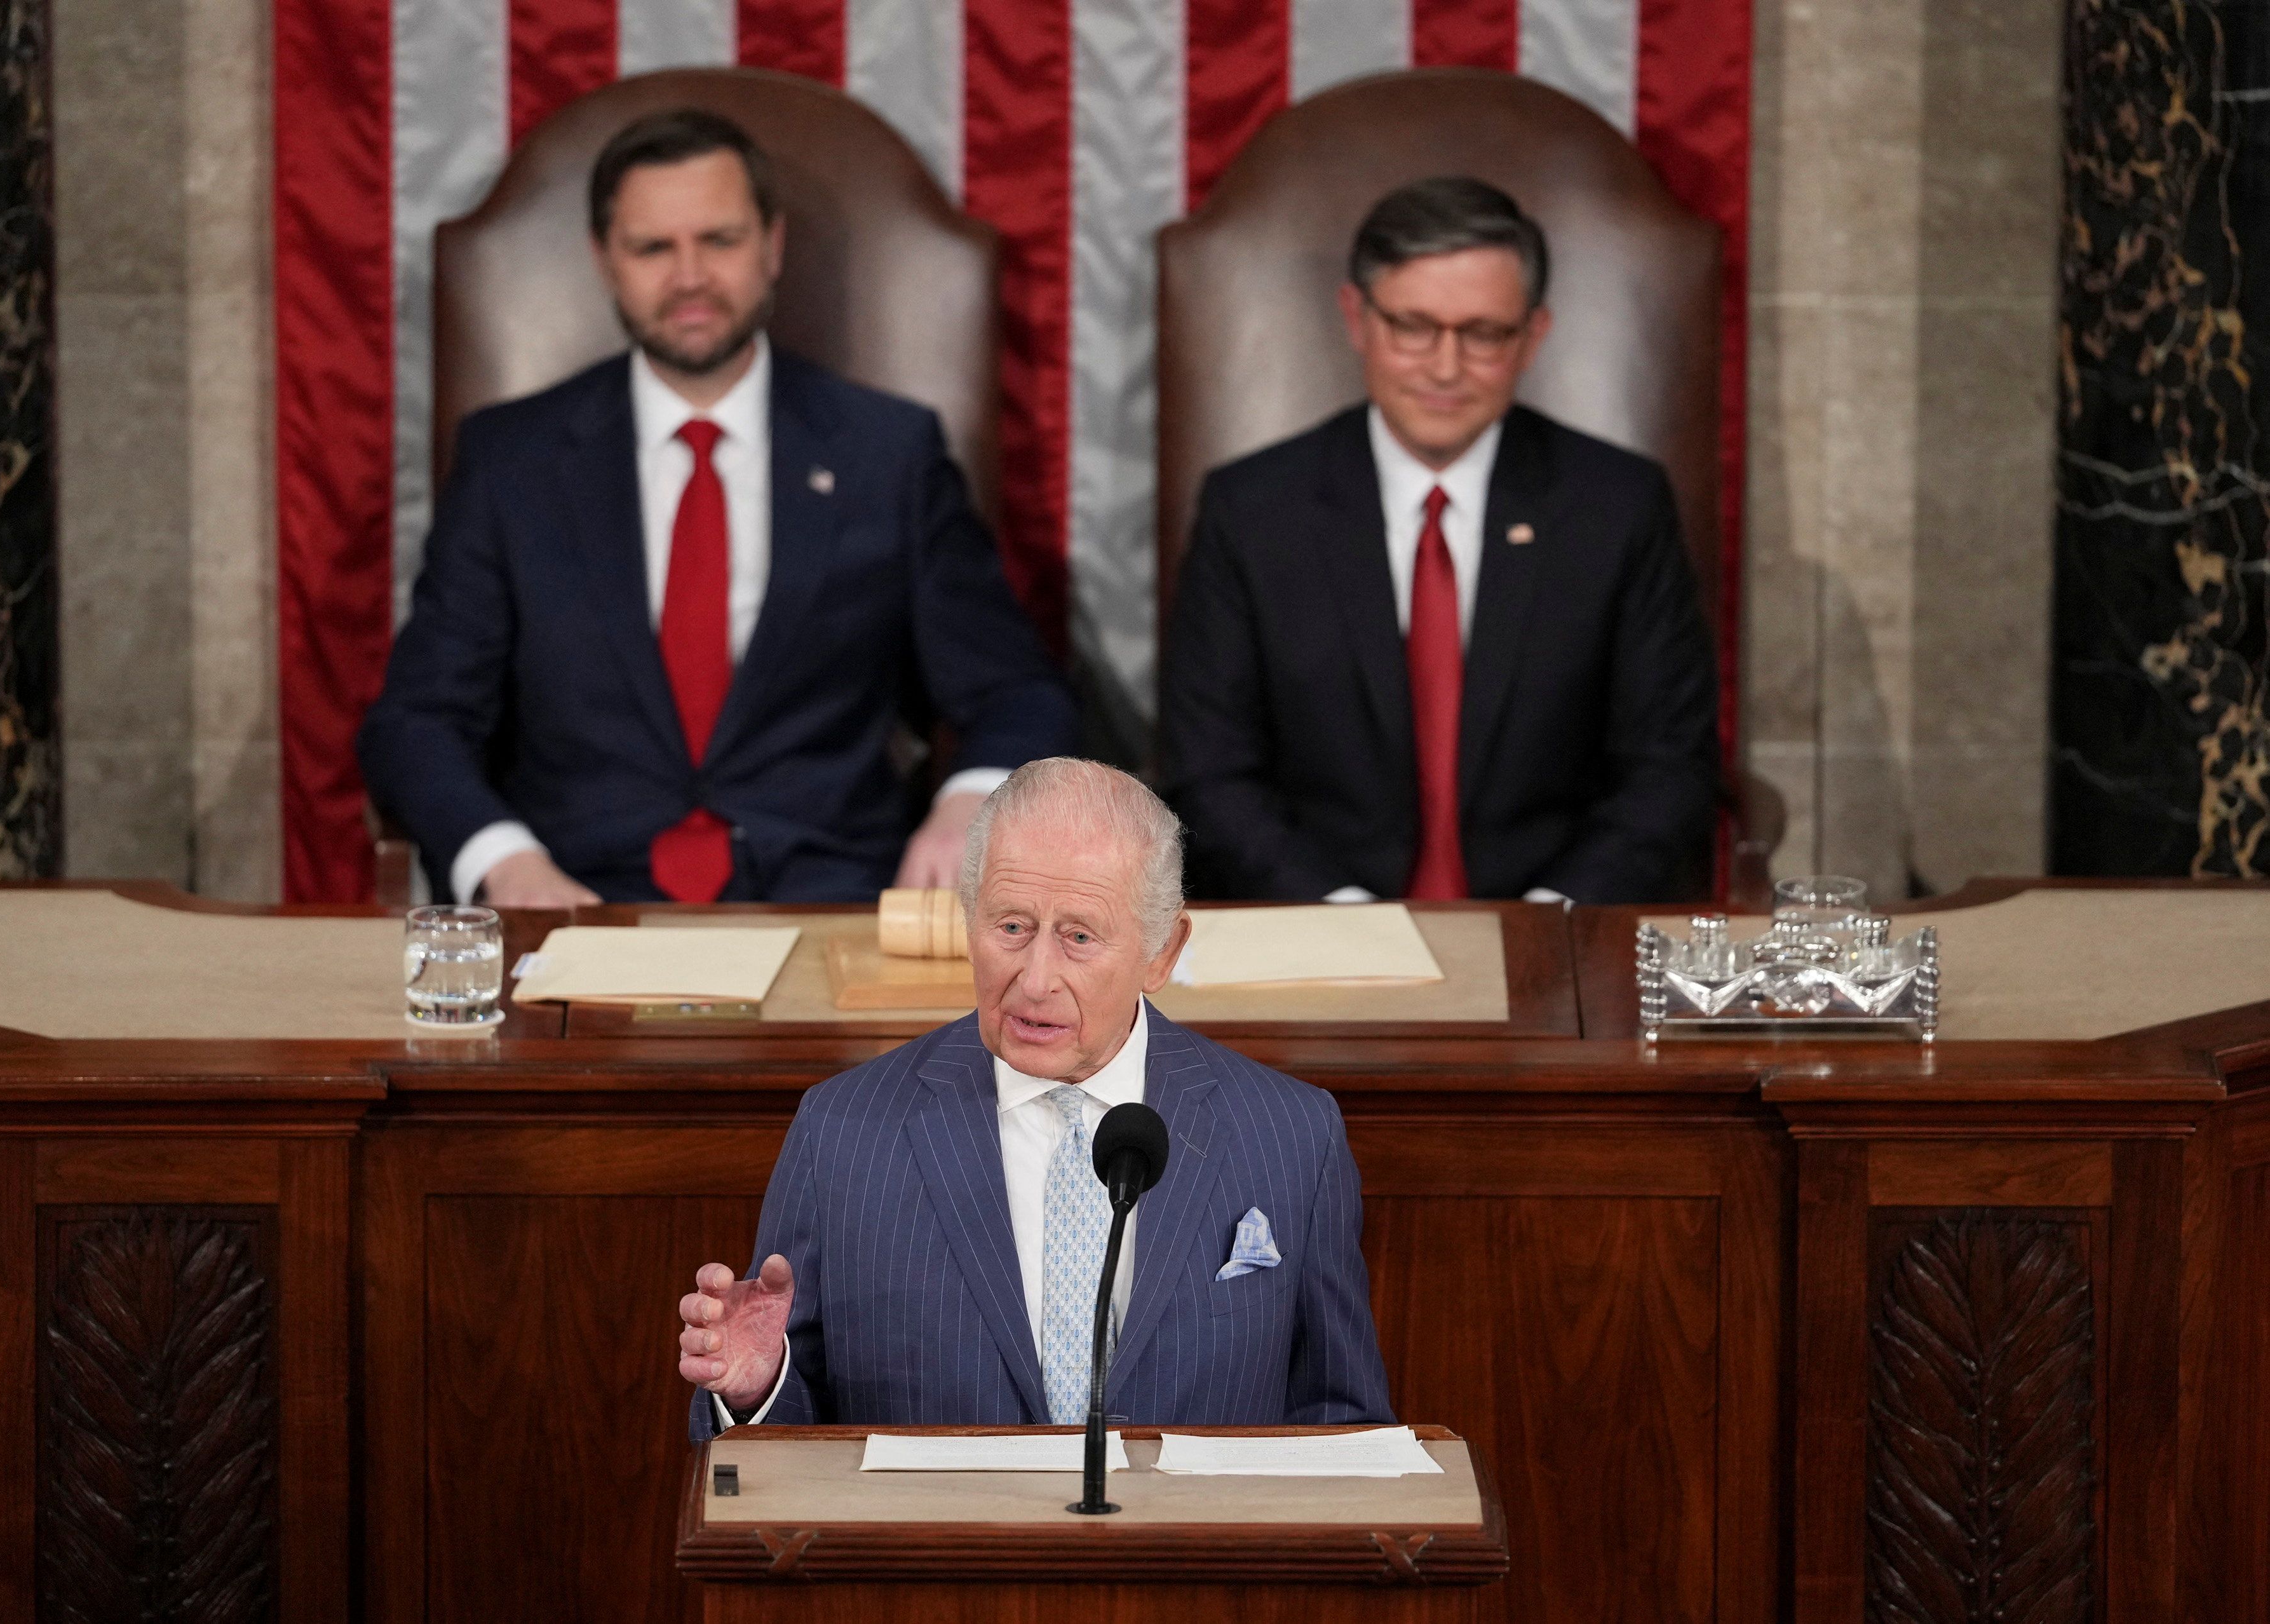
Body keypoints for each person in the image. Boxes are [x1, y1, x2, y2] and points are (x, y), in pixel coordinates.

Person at [359, 109, 1075, 906]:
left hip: (829, 903)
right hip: (579, 907)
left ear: (771, 246)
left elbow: (1015, 692)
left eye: (720, 241)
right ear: (605, 261)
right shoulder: (510, 462)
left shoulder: (887, 453)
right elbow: (417, 721)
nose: (690, 276)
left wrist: (968, 808)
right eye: (653, 248)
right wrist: (504, 862)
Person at [675, 758, 1393, 1435]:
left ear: (1163, 952)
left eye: (1079, 937)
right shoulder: (844, 1132)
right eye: (1012, 927)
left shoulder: (1292, 1135)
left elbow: (1343, 1424)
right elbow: (777, 1456)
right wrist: (753, 1388)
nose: (1036, 978)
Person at [1158, 177, 1719, 905]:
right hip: (1317, 932)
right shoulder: (1254, 509)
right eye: (1414, 326)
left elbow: (1669, 769)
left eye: (1484, 333)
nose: (1446, 367)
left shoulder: (1618, 506)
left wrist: (1550, 922)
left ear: (1532, 337)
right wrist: (1341, 917)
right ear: (1357, 320)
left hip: (1560, 935)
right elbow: (1210, 771)